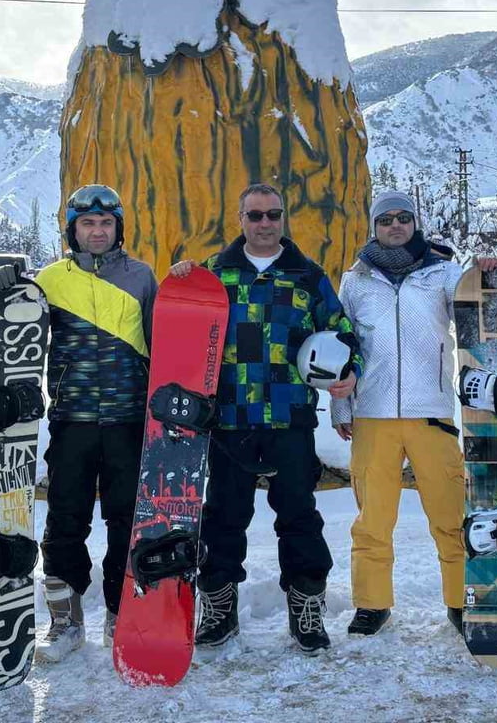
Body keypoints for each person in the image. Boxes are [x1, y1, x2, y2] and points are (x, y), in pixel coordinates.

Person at [170, 183, 360, 654]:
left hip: (290, 417)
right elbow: (181, 325)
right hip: (230, 419)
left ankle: (307, 606)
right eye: (254, 215)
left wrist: (348, 371)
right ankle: (219, 605)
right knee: (223, 518)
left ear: (283, 218)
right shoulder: (213, 274)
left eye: (273, 214)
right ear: (240, 219)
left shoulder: (306, 276)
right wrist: (180, 278)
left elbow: (340, 332)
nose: (264, 224)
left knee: (299, 517)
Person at [332, 189, 497, 637]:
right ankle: (372, 604)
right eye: (386, 220)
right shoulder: (355, 280)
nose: (396, 226)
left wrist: (483, 277)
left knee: (449, 516)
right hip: (372, 414)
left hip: (432, 414)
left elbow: (474, 311)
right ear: (375, 226)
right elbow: (342, 347)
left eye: (404, 218)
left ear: (415, 223)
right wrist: (340, 404)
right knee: (372, 521)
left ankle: (460, 601)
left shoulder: (442, 273)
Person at [33, 184, 157, 662]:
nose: (98, 231)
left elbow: (166, 340)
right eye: (88, 224)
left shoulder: (142, 278)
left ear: (118, 227)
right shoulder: (49, 280)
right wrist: (7, 292)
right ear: (73, 229)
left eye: (107, 223)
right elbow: (17, 336)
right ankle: (65, 621)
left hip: (128, 419)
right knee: (66, 520)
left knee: (126, 520)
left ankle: (120, 610)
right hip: (72, 420)